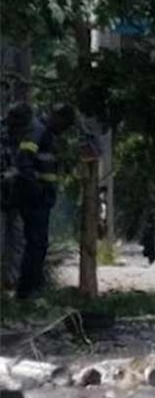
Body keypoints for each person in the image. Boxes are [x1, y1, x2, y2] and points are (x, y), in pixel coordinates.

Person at [9, 103, 75, 299]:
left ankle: (31, 288)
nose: (64, 130)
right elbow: (24, 161)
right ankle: (27, 291)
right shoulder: (38, 131)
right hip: (33, 199)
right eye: (64, 125)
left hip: (40, 199)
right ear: (57, 118)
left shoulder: (46, 134)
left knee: (38, 244)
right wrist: (37, 190)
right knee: (36, 244)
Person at [1, 102, 33, 291]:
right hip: (4, 196)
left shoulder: (26, 134)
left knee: (18, 243)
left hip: (17, 199)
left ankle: (12, 284)